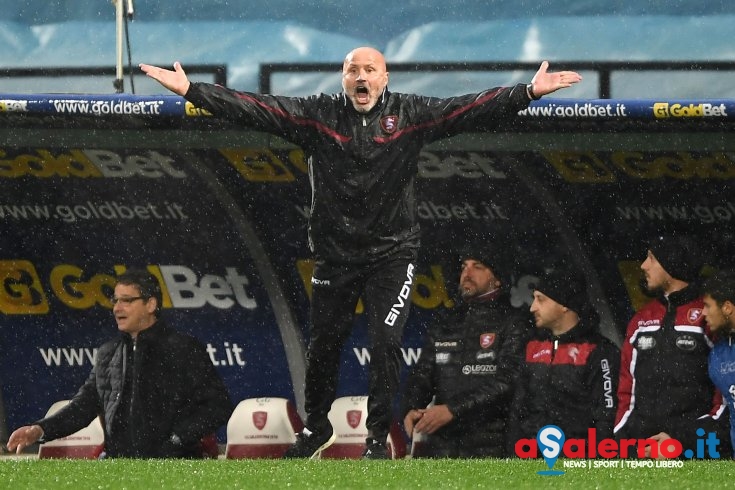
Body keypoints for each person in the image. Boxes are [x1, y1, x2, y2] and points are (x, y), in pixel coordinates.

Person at [140, 47, 581, 459]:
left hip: (393, 254)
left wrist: (526, 92)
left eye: (370, 70)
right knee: (324, 344)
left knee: (386, 342)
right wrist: (192, 91)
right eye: (354, 70)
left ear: (385, 78)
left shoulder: (410, 114)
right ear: (343, 79)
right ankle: (316, 428)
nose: (362, 77)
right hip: (335, 256)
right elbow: (257, 109)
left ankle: (375, 437)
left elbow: (466, 109)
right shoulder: (319, 115)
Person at [6, 269, 233, 458]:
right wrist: (39, 430)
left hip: (173, 467)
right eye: (115, 300)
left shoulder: (183, 349)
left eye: (127, 301)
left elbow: (218, 406)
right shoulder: (108, 353)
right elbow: (84, 406)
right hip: (120, 468)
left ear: (151, 304)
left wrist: (176, 441)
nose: (117, 308)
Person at [401, 250, 531, 458]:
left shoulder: (513, 322)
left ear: (497, 280)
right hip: (441, 446)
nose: (467, 273)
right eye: (464, 267)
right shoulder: (445, 322)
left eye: (477, 266)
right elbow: (423, 373)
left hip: (492, 446)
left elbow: (508, 381)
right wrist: (412, 407)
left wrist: (452, 410)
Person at [614, 235, 730, 458]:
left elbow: (725, 396)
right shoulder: (641, 319)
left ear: (672, 263)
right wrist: (623, 438)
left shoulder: (709, 315)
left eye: (651, 258)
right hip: (641, 451)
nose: (643, 265)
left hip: (695, 453)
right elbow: (626, 389)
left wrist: (683, 441)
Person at [508, 268, 619, 449]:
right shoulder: (532, 347)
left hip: (578, 466)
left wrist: (596, 466)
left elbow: (606, 417)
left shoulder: (600, 351)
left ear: (565, 304)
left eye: (541, 299)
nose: (532, 307)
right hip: (531, 464)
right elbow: (517, 411)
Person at [702, 269, 735, 454]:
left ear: (727, 307)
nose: (703, 313)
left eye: (707, 305)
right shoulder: (718, 355)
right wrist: (676, 437)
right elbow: (722, 412)